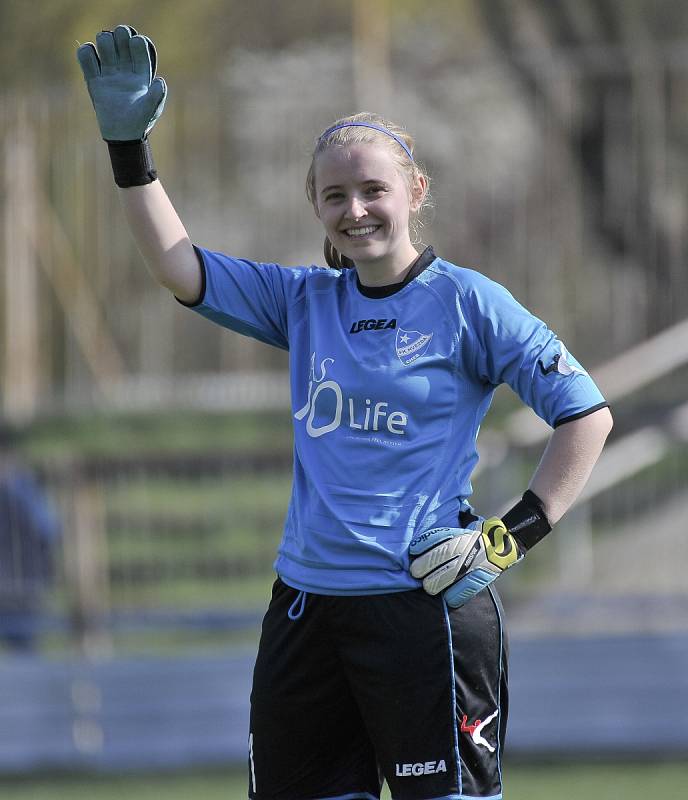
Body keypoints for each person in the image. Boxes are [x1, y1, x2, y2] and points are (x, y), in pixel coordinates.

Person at [77, 26, 613, 800]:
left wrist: (509, 537)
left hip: (424, 614)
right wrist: (129, 151)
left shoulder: (469, 304)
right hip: (306, 612)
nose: (355, 209)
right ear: (316, 206)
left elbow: (586, 414)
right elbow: (177, 265)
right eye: (335, 196)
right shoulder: (303, 302)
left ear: (415, 192)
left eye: (373, 191)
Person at [0, 424, 61, 652]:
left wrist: (12, 488)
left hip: (22, 584)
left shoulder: (25, 487)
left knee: (24, 652)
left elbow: (49, 528)